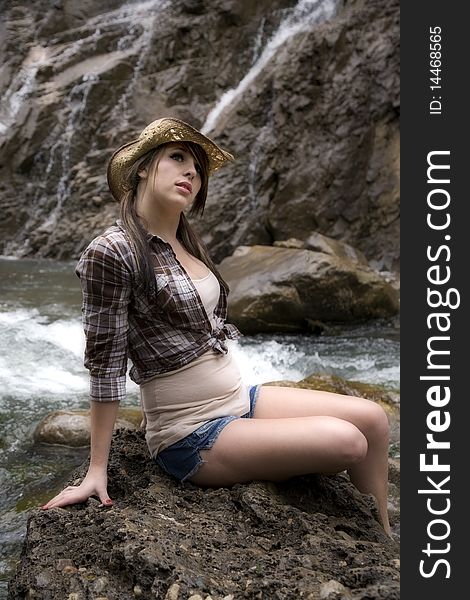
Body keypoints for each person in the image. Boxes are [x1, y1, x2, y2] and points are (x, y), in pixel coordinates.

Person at [42, 117, 391, 535]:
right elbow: (105, 363)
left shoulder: (187, 242)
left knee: (373, 420)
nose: (191, 171)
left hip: (237, 399)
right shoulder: (113, 251)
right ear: (141, 168)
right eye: (177, 158)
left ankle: (384, 540)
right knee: (347, 442)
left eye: (198, 169)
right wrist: (96, 469)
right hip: (190, 432)